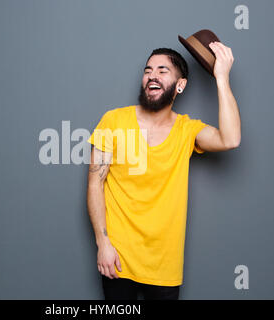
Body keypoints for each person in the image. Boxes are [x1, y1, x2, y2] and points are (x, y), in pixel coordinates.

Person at [86, 44, 241, 300]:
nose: (152, 76)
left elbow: (231, 139)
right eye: (148, 70)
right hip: (117, 259)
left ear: (180, 85)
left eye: (162, 70)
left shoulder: (187, 130)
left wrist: (222, 77)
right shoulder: (113, 121)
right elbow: (95, 185)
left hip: (164, 265)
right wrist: (103, 244)